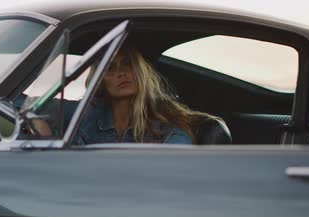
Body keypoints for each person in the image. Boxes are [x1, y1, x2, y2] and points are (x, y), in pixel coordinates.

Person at [74, 46, 222, 145]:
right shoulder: (86, 116)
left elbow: (175, 170)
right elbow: (51, 110)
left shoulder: (166, 129)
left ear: (140, 71)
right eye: (110, 68)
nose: (121, 72)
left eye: (128, 64)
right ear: (100, 81)